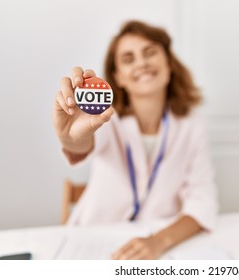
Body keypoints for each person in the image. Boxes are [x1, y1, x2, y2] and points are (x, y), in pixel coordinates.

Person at [52, 20, 218, 260]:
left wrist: (158, 242)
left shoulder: (192, 123)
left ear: (168, 64)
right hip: (93, 243)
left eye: (150, 52)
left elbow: (203, 202)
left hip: (158, 244)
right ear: (118, 77)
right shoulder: (107, 117)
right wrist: (70, 137)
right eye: (128, 59)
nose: (141, 63)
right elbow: (85, 143)